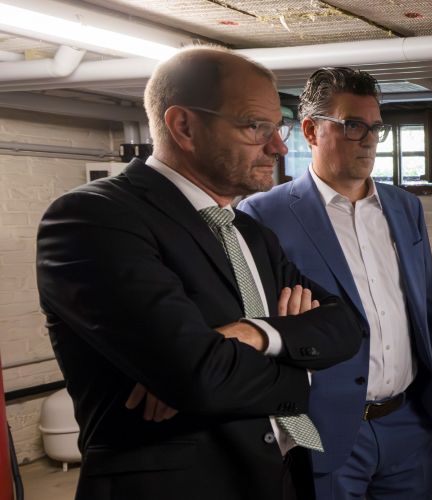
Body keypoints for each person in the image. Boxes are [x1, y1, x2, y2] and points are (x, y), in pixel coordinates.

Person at [35, 47, 363, 500]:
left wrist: (256, 334)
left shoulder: (248, 230)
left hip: (281, 475)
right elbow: (199, 379)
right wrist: (302, 367)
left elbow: (345, 326)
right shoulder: (93, 219)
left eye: (278, 126)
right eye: (255, 127)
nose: (279, 146)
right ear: (184, 126)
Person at [241, 67, 432, 499]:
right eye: (353, 125)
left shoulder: (404, 207)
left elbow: (424, 308)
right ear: (311, 131)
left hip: (409, 420)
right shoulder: (264, 214)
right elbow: (257, 324)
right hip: (326, 427)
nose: (369, 138)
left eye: (376, 127)